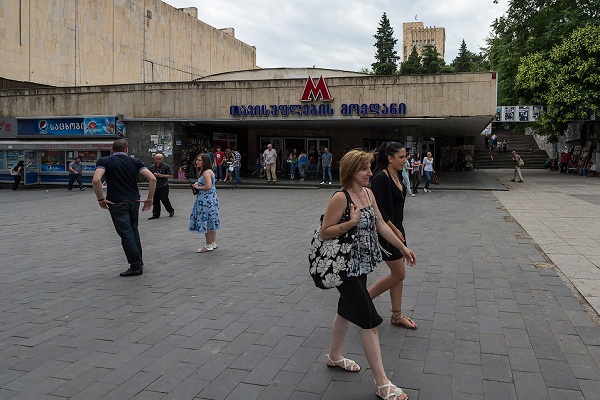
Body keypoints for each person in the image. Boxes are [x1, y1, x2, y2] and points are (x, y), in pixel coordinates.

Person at [321, 149, 416, 400]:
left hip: (361, 265)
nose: (369, 172)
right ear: (352, 170)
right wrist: (351, 223)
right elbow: (325, 232)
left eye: (370, 167)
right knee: (370, 322)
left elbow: (381, 224)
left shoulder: (369, 193)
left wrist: (402, 247)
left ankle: (334, 356)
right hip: (344, 268)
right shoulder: (340, 198)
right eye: (365, 168)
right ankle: (382, 383)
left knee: (344, 310)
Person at [369, 142, 417, 330]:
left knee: (398, 275)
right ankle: (362, 301)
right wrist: (393, 229)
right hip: (386, 232)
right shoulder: (381, 177)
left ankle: (397, 315)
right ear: (390, 158)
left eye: (405, 156)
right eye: (402, 157)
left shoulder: (396, 175)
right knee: (399, 273)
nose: (405, 160)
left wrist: (399, 230)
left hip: (398, 229)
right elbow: (377, 208)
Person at [92, 139, 157, 277]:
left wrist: (100, 198)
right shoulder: (135, 162)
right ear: (126, 150)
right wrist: (150, 198)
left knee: (126, 233)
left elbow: (96, 179)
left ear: (112, 150)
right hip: (134, 200)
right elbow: (152, 179)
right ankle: (139, 261)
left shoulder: (104, 161)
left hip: (116, 202)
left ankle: (135, 266)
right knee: (134, 230)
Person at [189, 153, 221, 253]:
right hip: (211, 199)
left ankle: (208, 245)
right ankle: (213, 242)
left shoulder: (205, 172)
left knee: (206, 220)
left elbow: (208, 186)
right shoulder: (209, 171)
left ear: (205, 161)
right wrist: (198, 183)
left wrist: (198, 187)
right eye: (197, 160)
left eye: (199, 160)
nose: (197, 162)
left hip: (205, 199)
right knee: (211, 219)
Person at [148, 153, 175, 220]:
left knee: (164, 199)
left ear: (162, 159)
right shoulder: (152, 167)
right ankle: (156, 214)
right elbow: (148, 175)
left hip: (163, 185)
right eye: (157, 159)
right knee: (155, 200)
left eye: (160, 159)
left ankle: (171, 210)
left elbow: (170, 176)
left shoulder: (166, 166)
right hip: (155, 185)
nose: (158, 160)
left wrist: (161, 175)